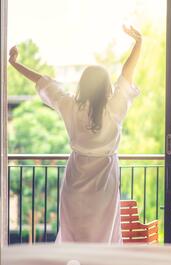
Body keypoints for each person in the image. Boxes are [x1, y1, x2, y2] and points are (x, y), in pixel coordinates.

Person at [8, 25, 142, 243]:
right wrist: (139, 44)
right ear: (106, 86)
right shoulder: (114, 106)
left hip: (76, 179)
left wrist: (14, 63)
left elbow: (42, 81)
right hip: (104, 182)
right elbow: (126, 74)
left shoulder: (70, 104)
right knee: (103, 236)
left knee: (74, 235)